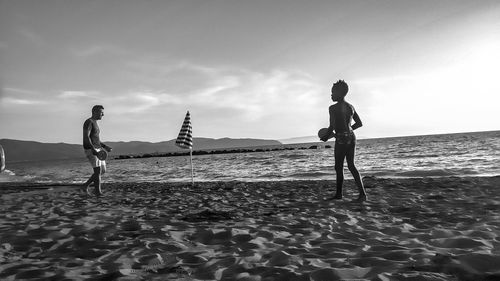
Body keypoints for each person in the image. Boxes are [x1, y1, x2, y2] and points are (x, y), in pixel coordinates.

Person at [320, 80, 367, 202]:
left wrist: (326, 137)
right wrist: (349, 130)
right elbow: (359, 123)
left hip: (341, 139)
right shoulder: (351, 107)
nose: (331, 95)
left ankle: (339, 194)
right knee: (351, 165)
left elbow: (332, 126)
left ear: (340, 93)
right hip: (352, 137)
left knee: (338, 166)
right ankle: (363, 194)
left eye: (333, 93)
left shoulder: (332, 108)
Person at [82, 105, 112, 196]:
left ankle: (85, 186)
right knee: (97, 171)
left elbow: (96, 139)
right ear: (94, 112)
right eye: (101, 112)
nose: (103, 114)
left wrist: (104, 146)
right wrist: (93, 149)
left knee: (102, 170)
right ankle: (98, 193)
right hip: (90, 149)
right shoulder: (89, 122)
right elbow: (86, 137)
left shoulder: (95, 123)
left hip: (98, 148)